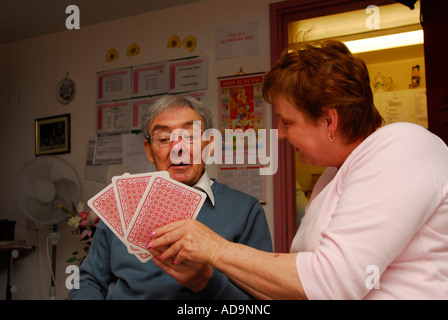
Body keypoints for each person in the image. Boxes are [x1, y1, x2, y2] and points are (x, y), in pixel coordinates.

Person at [147, 40, 448, 299]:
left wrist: (214, 248)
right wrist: (205, 276)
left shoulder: (403, 147)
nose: (279, 133)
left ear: (329, 121)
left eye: (288, 121)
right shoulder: (333, 174)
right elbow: (297, 285)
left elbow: (332, 283)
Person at [68, 95, 272, 299]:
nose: (177, 149)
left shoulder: (245, 211)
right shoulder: (124, 205)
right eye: (164, 139)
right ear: (149, 151)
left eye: (190, 136)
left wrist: (207, 282)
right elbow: (88, 280)